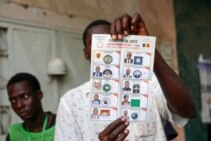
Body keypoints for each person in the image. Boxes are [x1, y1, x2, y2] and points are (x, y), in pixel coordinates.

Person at [55, 13, 196, 141]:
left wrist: (148, 47)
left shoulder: (148, 84)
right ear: (86, 53)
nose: (105, 49)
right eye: (98, 43)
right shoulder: (70, 103)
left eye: (110, 42)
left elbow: (188, 110)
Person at [5, 72, 56, 141]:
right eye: (13, 100)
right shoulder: (13, 135)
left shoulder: (62, 124)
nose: (19, 105)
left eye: (25, 96)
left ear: (39, 95)